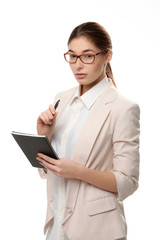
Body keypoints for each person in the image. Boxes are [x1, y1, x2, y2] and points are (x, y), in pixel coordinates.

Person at [36, 22, 140, 240]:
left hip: (98, 231)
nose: (78, 65)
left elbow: (128, 182)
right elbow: (47, 169)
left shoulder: (123, 108)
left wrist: (79, 172)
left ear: (107, 56)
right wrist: (44, 135)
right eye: (72, 56)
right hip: (57, 226)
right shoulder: (61, 99)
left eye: (88, 56)